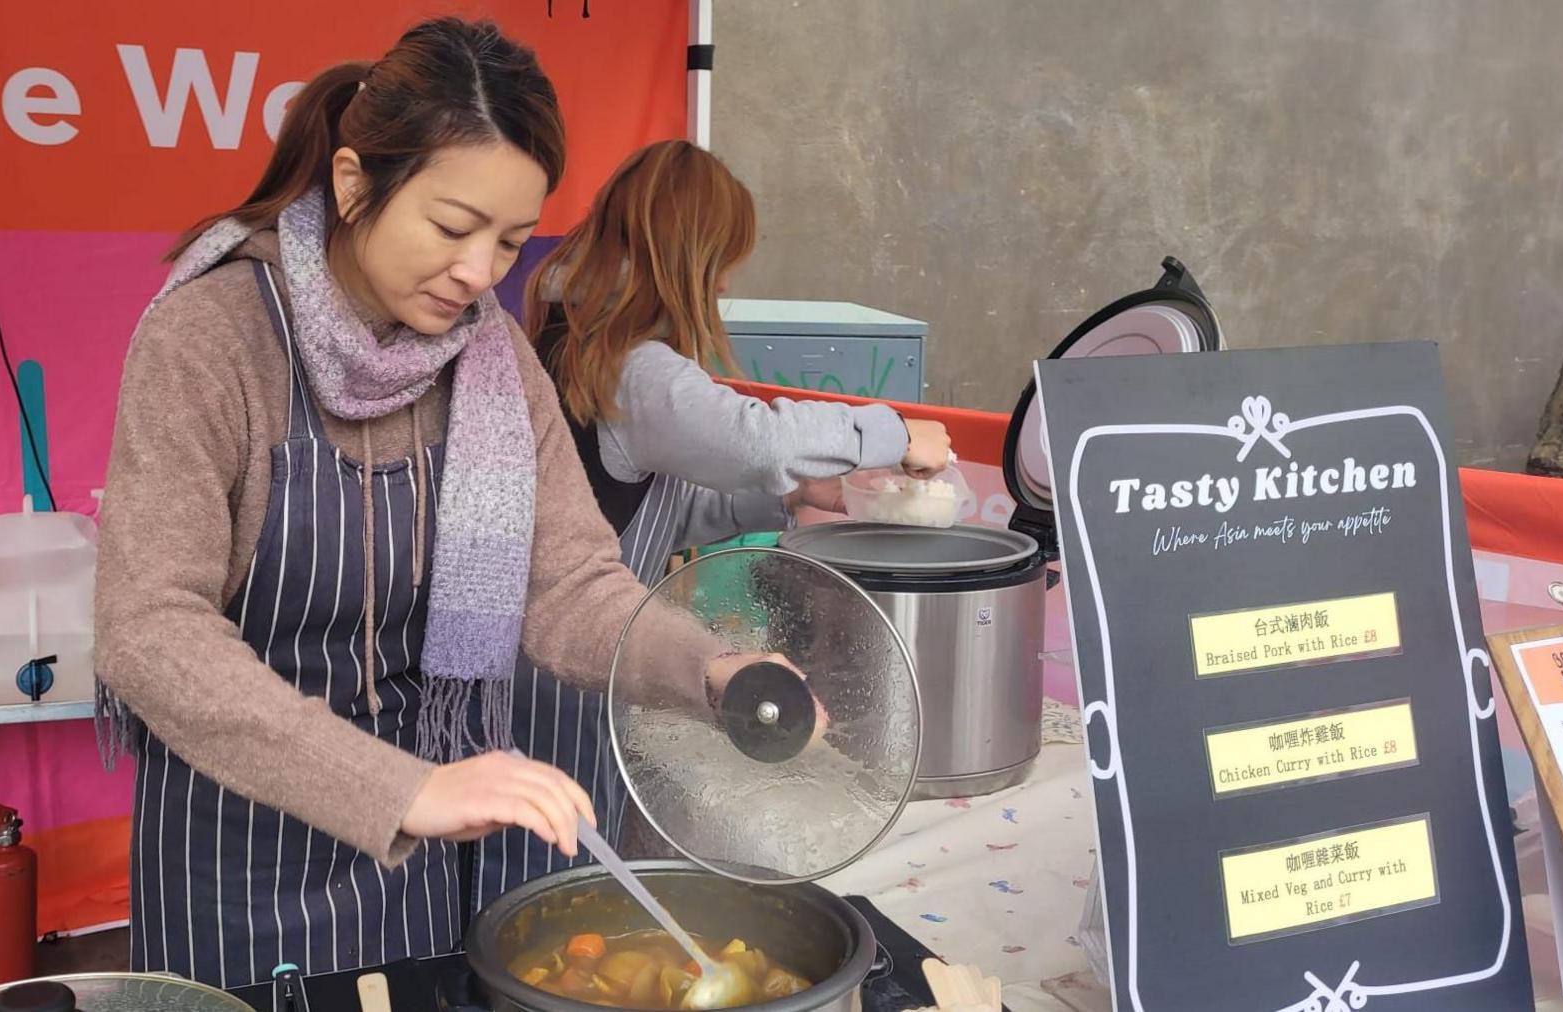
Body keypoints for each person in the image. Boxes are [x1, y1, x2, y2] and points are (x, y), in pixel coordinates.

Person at [94, 20, 730, 987]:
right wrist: (403, 788)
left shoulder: (493, 360)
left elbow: (569, 582)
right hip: (232, 851)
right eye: (452, 227)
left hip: (416, 862)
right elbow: (149, 629)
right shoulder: (212, 341)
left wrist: (711, 670)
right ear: (355, 184)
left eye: (511, 242)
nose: (481, 273)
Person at [471, 139, 951, 908]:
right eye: (725, 259)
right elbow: (754, 442)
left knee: (545, 846)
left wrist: (787, 504)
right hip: (564, 664)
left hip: (539, 653)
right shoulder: (637, 365)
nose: (728, 281)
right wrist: (895, 431)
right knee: (550, 866)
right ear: (692, 255)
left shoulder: (575, 340)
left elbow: (643, 505)